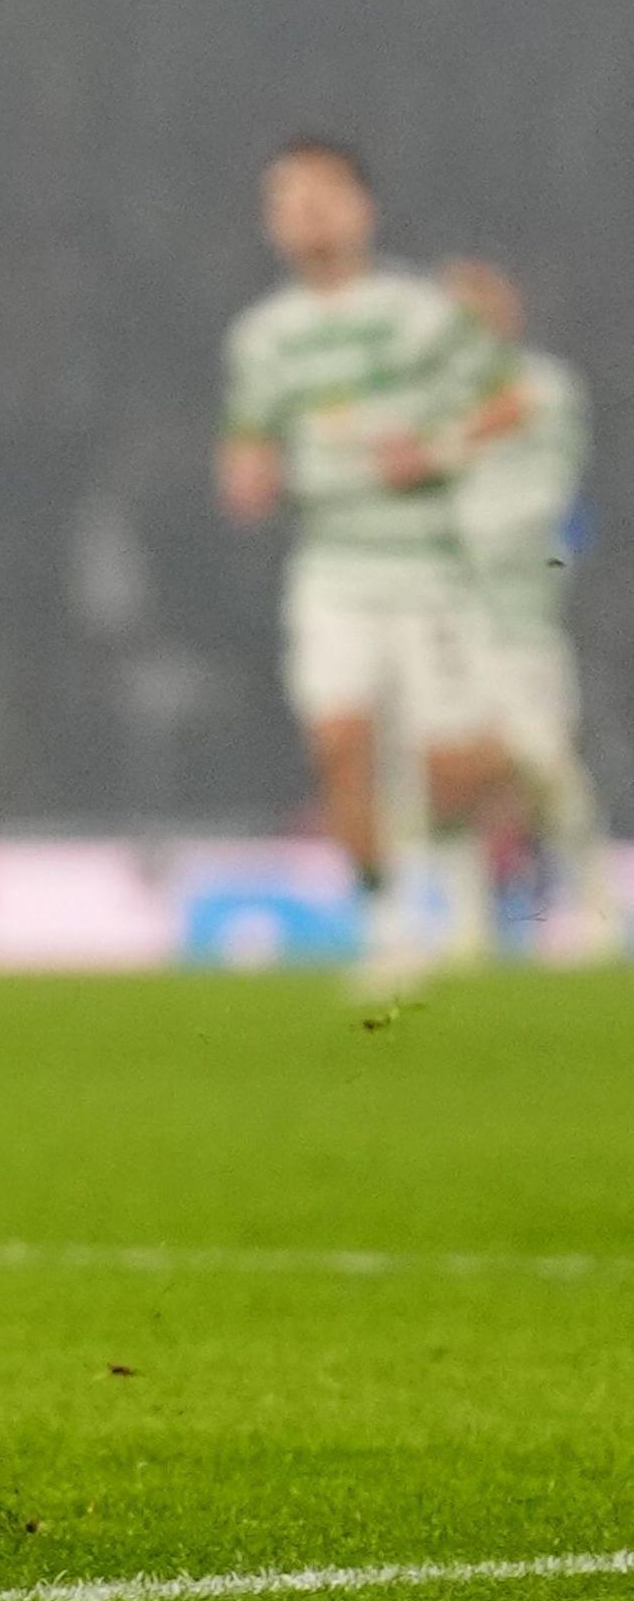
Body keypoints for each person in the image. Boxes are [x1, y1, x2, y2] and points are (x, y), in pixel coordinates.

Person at [217, 141, 518, 979]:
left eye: (322, 193)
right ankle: (388, 925)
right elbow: (247, 444)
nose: (306, 210)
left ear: (362, 208)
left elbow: (508, 401)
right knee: (339, 743)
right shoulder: (265, 338)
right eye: (287, 198)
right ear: (270, 221)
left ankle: (458, 873)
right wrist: (247, 476)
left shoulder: (418, 312)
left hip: (434, 568)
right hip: (335, 569)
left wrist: (435, 448)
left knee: (455, 766)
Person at [439, 260, 616, 960]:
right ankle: (467, 925)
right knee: (457, 774)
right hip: (451, 614)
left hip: (522, 613)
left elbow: (514, 444)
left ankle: (596, 905)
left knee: (544, 763)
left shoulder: (543, 387)